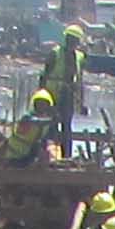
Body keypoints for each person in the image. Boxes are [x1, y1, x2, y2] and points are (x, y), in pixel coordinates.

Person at [33, 20, 86, 153]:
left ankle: (66, 155)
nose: (72, 43)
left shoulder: (80, 57)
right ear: (66, 39)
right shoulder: (55, 53)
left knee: (66, 126)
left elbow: (79, 82)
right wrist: (41, 96)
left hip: (68, 96)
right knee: (51, 125)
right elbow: (44, 75)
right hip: (52, 95)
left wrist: (82, 103)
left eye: (75, 40)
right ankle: (49, 154)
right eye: (70, 39)